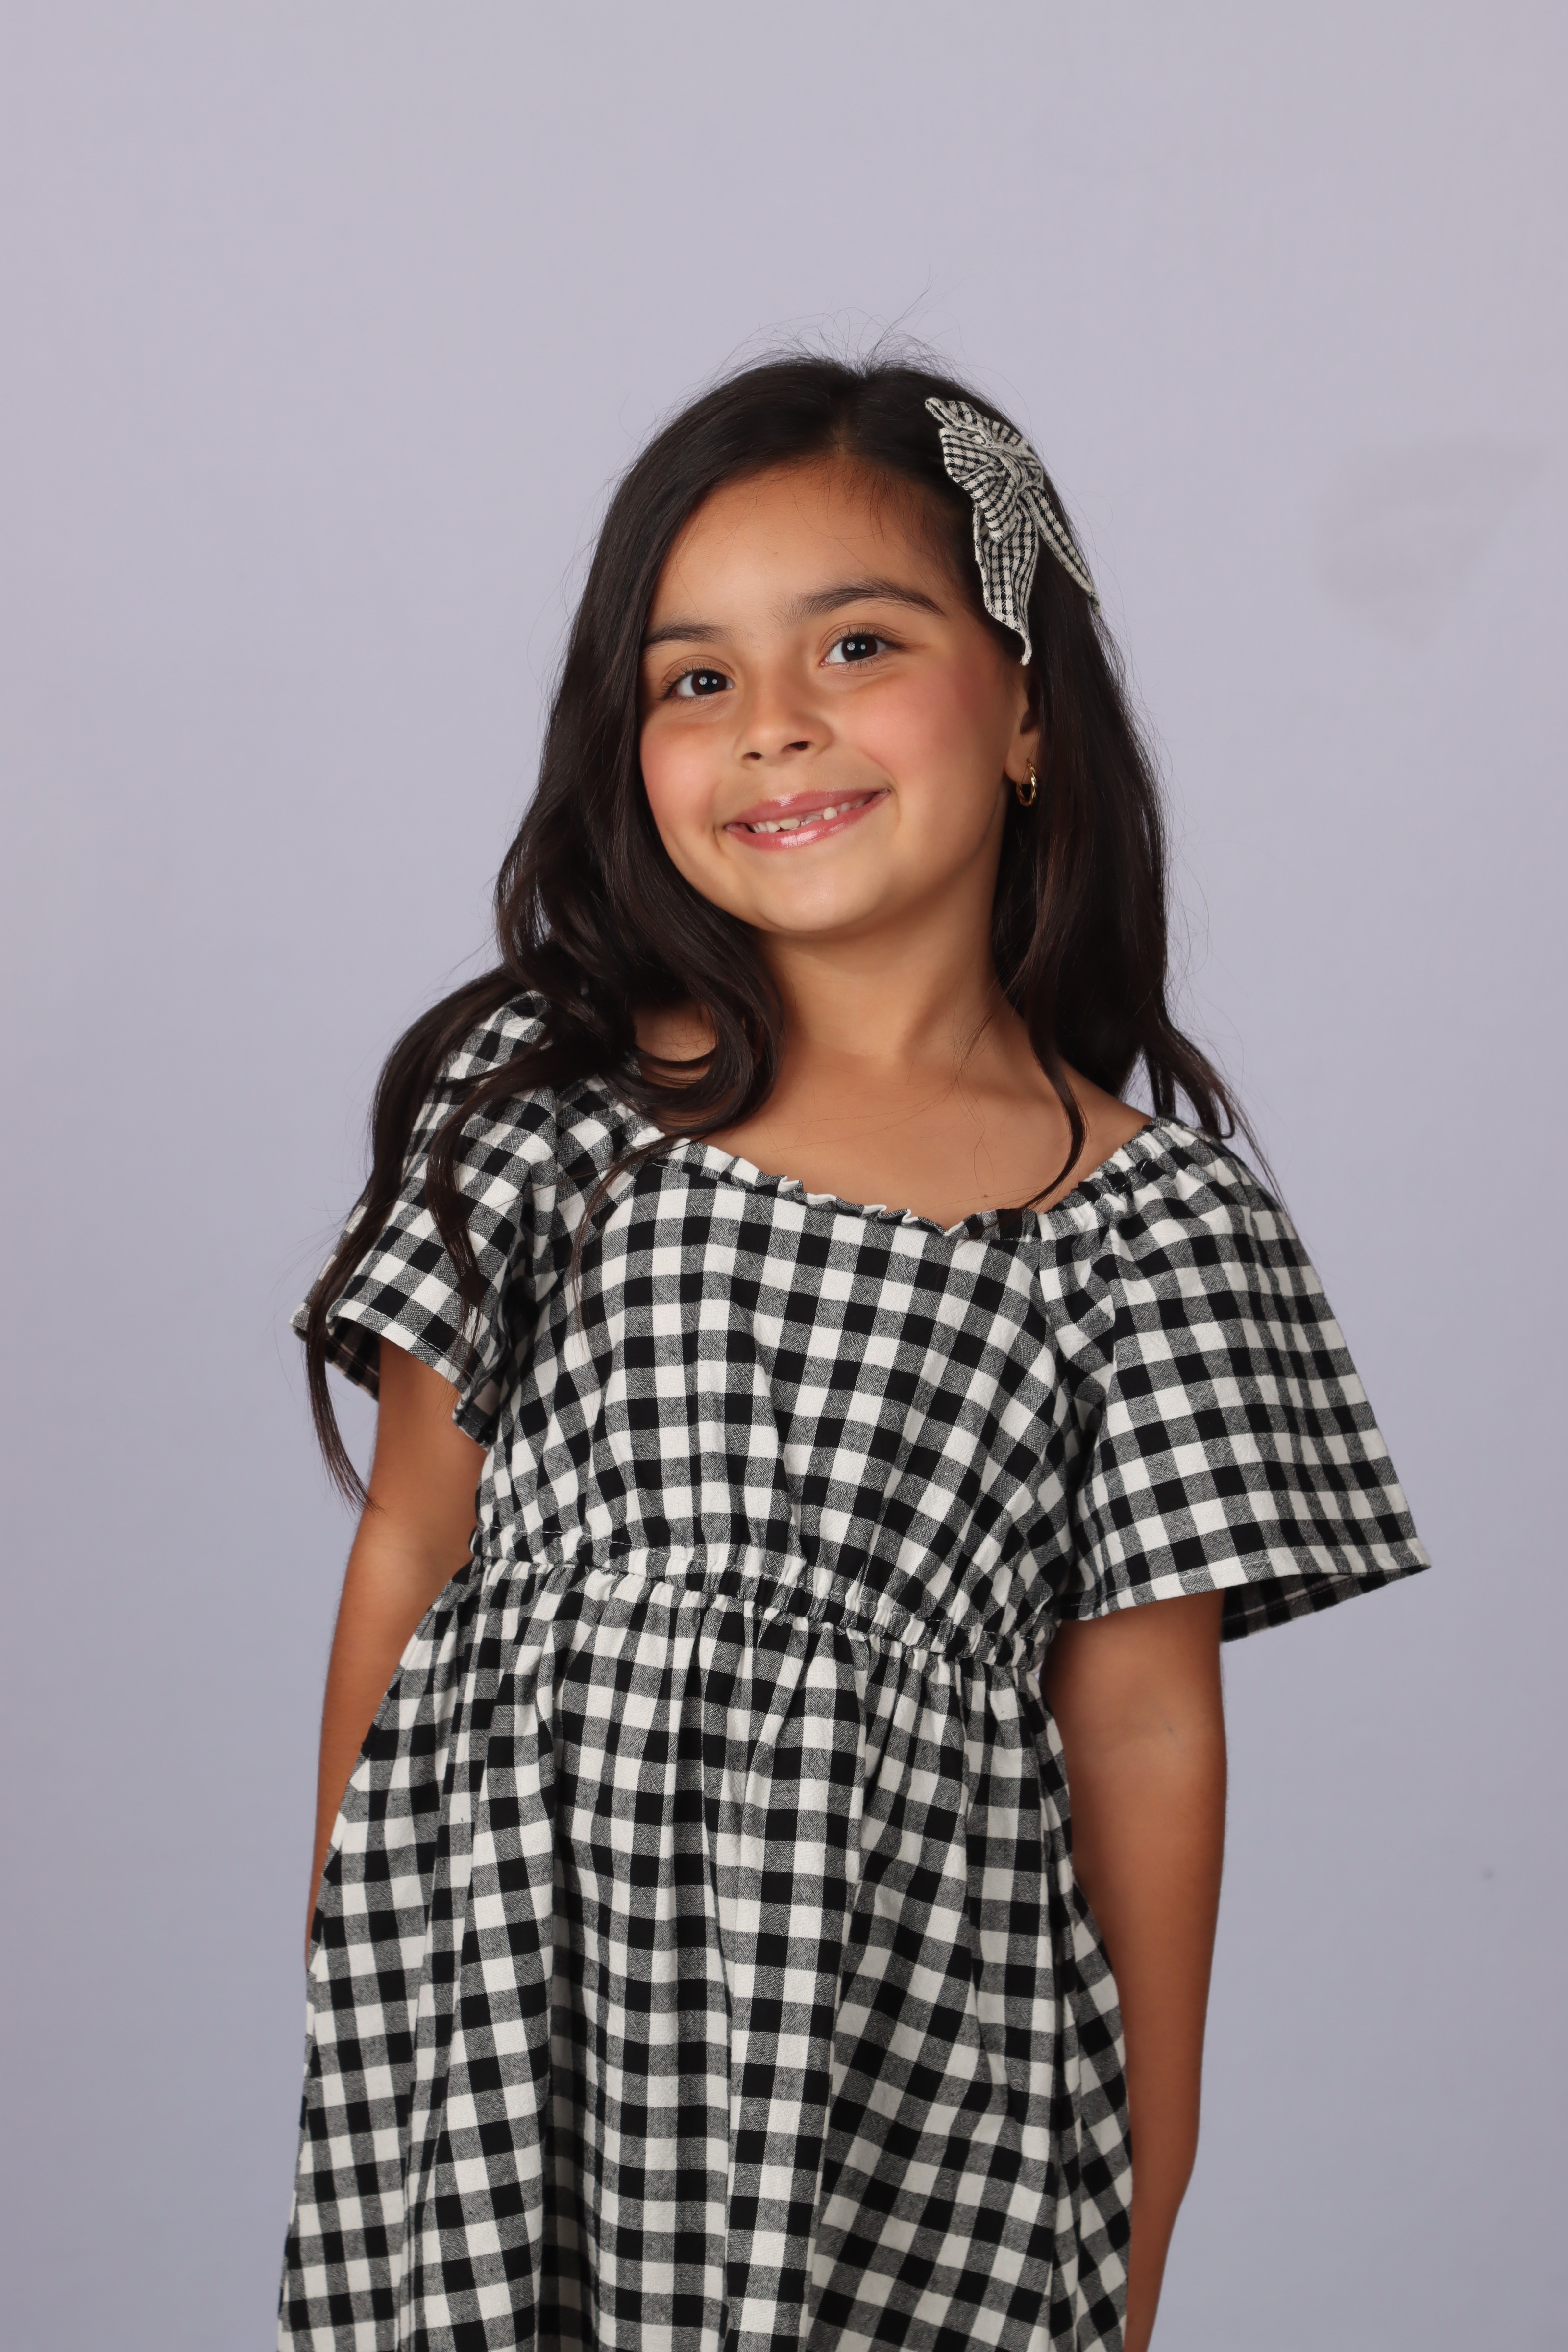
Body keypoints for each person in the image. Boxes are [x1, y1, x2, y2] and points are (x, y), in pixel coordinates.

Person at [278, 356, 1428, 2352]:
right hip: (514, 2028)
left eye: (858, 644)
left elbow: (1144, 1736)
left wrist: (1136, 2212)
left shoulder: (1149, 1229)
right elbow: (411, 1542)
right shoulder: (547, 1107)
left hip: (911, 2086)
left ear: (1031, 712)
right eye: (692, 679)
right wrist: (359, 1978)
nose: (773, 723)